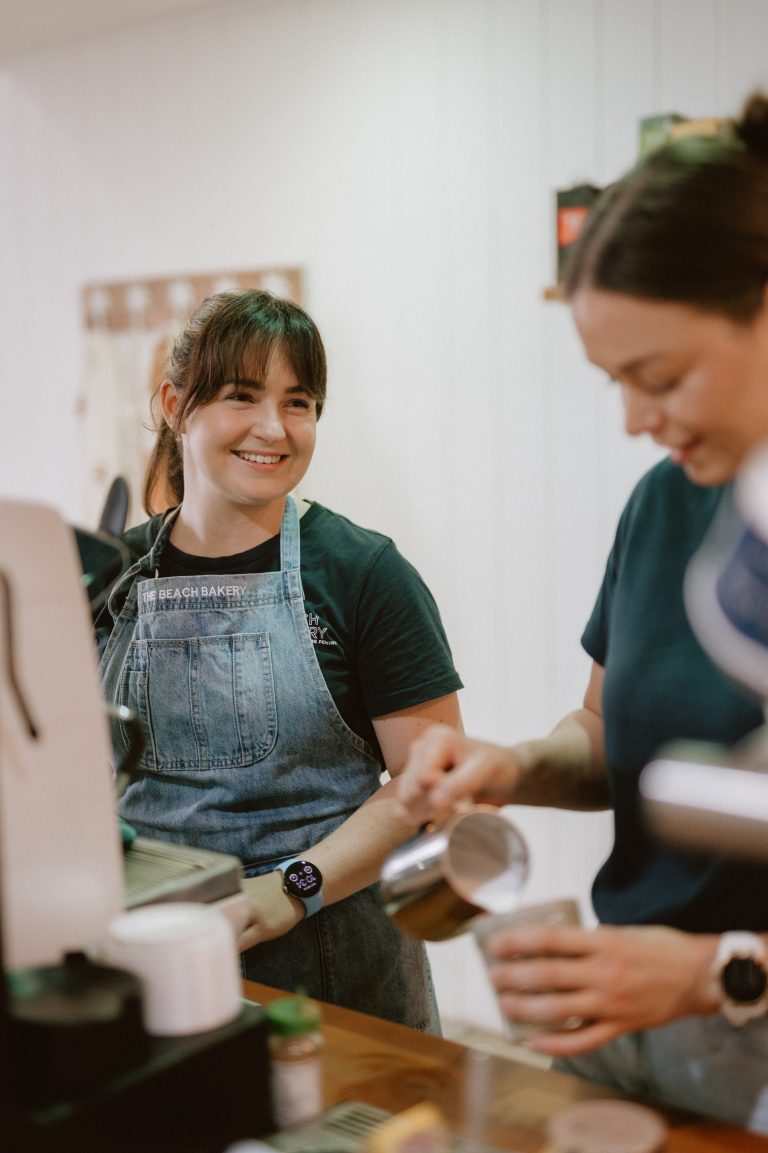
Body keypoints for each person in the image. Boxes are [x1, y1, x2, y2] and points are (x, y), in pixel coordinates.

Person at [396, 91, 768, 1128]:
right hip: (625, 1027)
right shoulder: (668, 501)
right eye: (614, 382)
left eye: (661, 376)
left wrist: (716, 973)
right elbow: (610, 734)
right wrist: (510, 768)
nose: (636, 421)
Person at [98, 288, 463, 1031]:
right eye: (242, 395)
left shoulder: (364, 574)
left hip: (334, 967)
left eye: (298, 403)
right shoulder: (112, 577)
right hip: (153, 959)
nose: (274, 428)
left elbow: (431, 788)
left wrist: (291, 887)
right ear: (175, 403)